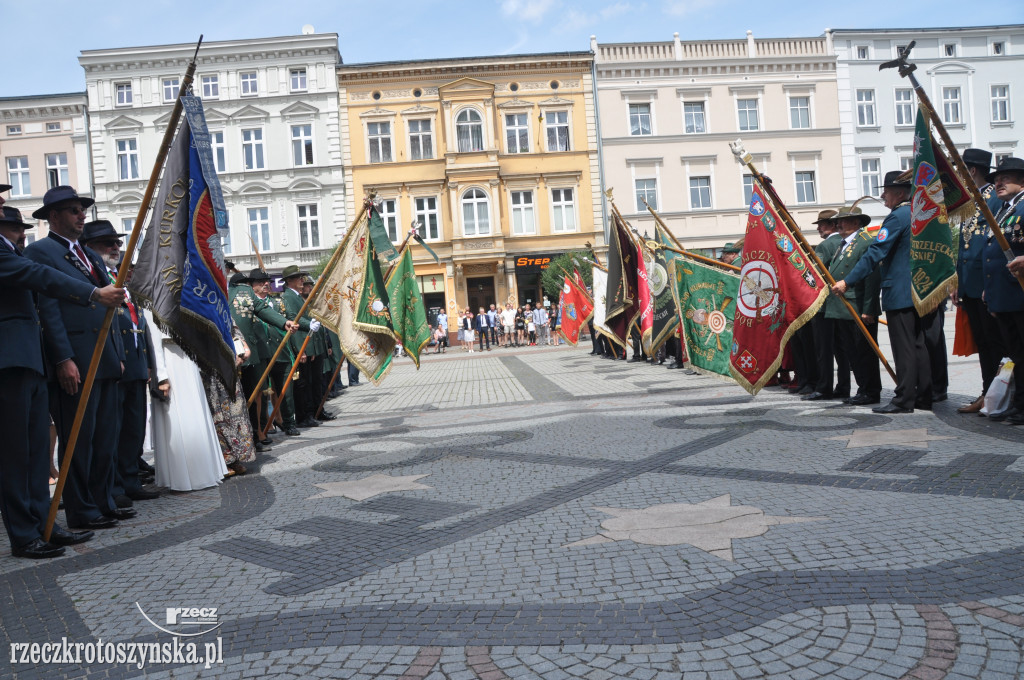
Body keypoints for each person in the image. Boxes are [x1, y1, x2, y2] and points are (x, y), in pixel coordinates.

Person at [0, 204, 125, 557]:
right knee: (15, 455)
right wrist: (92, 294)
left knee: (37, 453)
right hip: (9, 362)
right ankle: (25, 535)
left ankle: (45, 523)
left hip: (28, 359)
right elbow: (38, 277)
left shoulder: (15, 250)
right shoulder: (16, 254)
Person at [24, 186, 133, 530]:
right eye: (73, 210)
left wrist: (115, 354)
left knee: (104, 435)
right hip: (76, 357)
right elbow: (49, 307)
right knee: (78, 437)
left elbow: (111, 309)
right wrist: (63, 358)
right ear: (53, 217)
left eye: (82, 209)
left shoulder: (90, 255)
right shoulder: (42, 252)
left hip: (103, 356)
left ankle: (103, 500)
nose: (81, 215)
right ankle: (80, 508)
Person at [833, 171, 931, 414]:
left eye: (886, 191)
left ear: (899, 193)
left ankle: (904, 399)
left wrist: (848, 282)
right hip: (922, 289)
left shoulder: (897, 217)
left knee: (904, 347)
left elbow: (875, 253)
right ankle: (924, 396)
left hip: (900, 291)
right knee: (919, 345)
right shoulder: (920, 214)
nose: (882, 195)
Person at [80, 220, 159, 504]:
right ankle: (113, 486)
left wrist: (148, 361)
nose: (116, 248)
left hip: (135, 365)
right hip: (112, 363)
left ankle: (130, 480)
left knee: (133, 430)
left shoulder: (122, 280)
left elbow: (141, 325)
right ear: (89, 248)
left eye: (117, 243)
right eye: (108, 243)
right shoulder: (96, 281)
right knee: (109, 434)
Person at [146, 309, 228, 491]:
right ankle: (181, 477)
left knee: (196, 415)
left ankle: (205, 471)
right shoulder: (150, 295)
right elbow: (152, 337)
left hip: (187, 359)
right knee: (178, 418)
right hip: (170, 360)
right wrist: (161, 376)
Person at [953, 149, 1006, 414]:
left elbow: (992, 242)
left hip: (985, 283)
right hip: (971, 283)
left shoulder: (993, 198)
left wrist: (988, 283)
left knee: (996, 343)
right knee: (984, 343)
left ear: (971, 171)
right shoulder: (971, 200)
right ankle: (988, 393)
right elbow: (964, 245)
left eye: (960, 170)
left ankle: (999, 395)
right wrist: (957, 281)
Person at [824, 205, 881, 406]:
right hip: (843, 308)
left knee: (864, 352)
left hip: (857, 307)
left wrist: (869, 308)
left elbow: (872, 278)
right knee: (853, 353)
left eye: (843, 220)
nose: (838, 224)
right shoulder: (844, 244)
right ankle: (863, 389)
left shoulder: (864, 243)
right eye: (838, 221)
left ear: (857, 222)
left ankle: (870, 390)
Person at [981, 157, 1024, 425]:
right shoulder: (1003, 209)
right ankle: (1019, 404)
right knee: (1017, 353)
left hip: (1020, 293)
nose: (998, 182)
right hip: (1005, 294)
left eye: (1005, 177)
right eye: (997, 178)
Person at [804, 210, 847, 401]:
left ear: (831, 224)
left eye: (821, 224)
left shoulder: (825, 245)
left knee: (824, 350)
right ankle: (843, 386)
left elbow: (811, 275)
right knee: (842, 349)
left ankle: (824, 387)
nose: (819, 228)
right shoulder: (846, 242)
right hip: (842, 304)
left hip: (824, 305)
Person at [279, 265, 324, 427]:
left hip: (307, 343)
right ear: (289, 281)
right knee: (302, 383)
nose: (302, 281)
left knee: (310, 381)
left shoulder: (296, 296)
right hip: (299, 344)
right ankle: (303, 416)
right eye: (298, 278)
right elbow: (293, 318)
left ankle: (310, 413)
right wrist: (301, 348)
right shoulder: (289, 297)